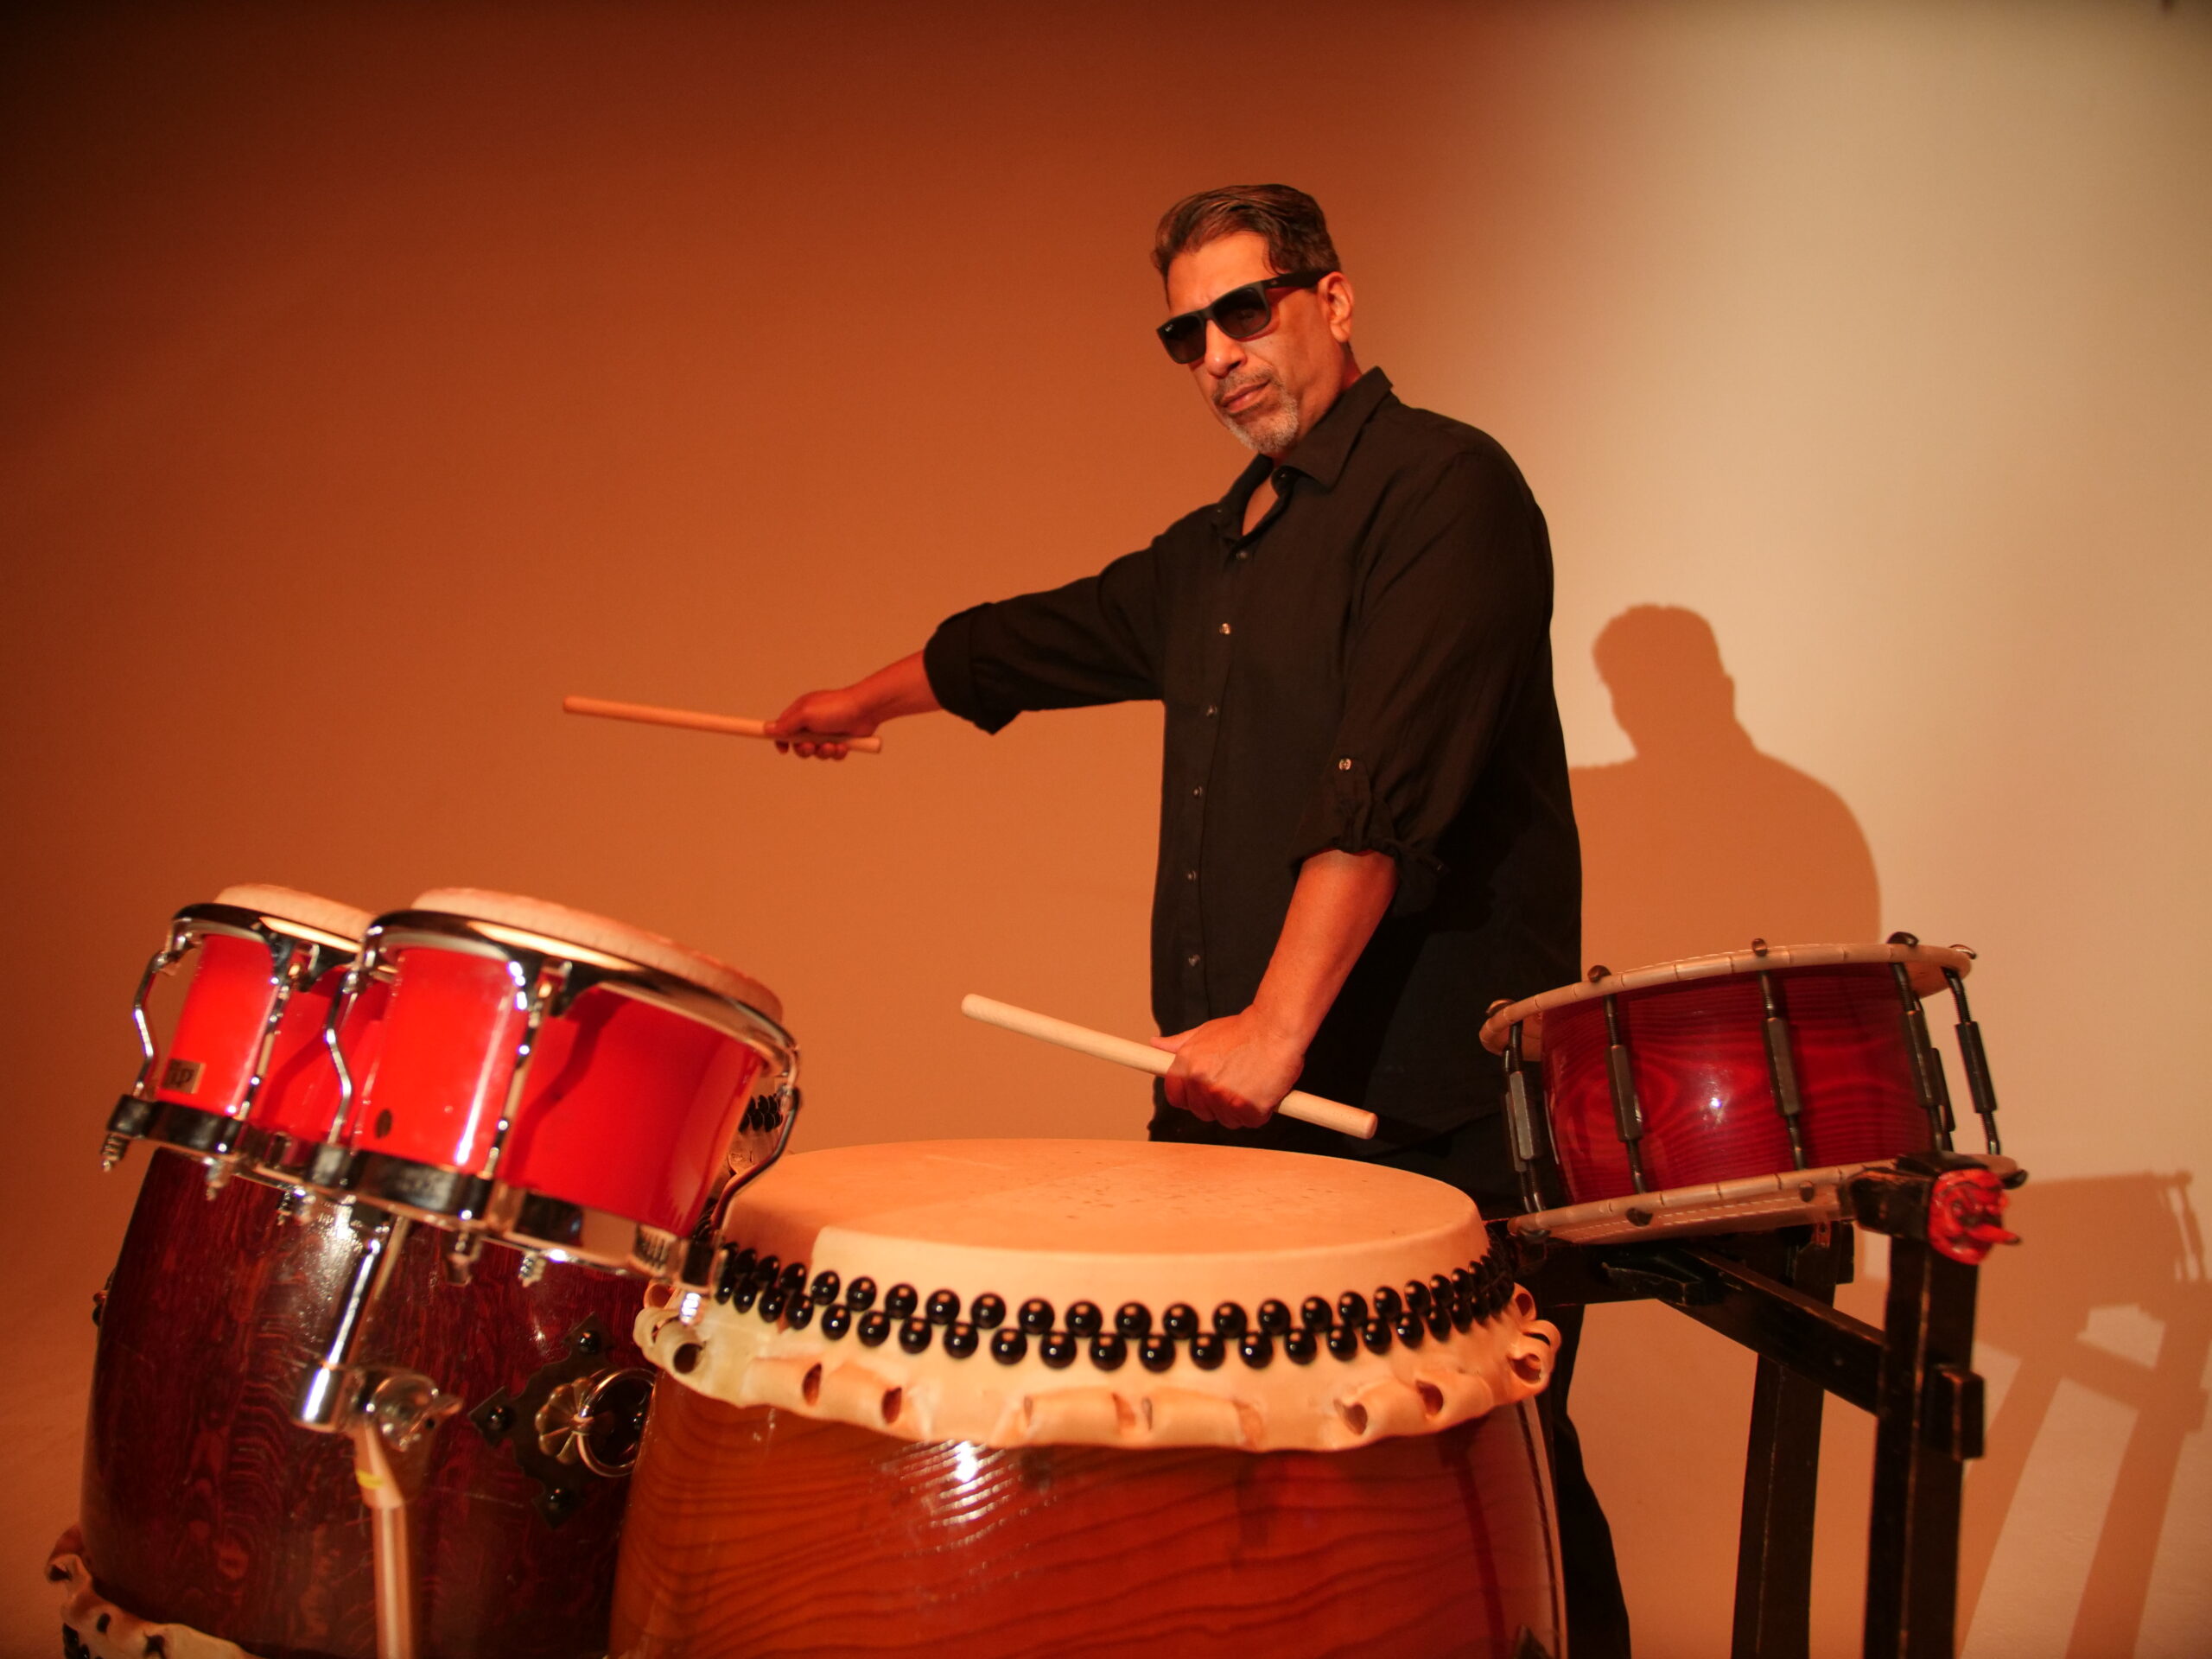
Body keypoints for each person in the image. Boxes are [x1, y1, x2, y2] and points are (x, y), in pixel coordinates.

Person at [771, 183, 1630, 1655]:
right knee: (1251, 1511)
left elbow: (1383, 784)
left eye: (1245, 310)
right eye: (1186, 334)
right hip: (1244, 1115)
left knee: (1477, 1491)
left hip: (1427, 1116)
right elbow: (1038, 638)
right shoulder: (1217, 551)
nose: (1219, 353)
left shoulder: (1447, 490)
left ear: (1331, 300)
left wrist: (1279, 1028)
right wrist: (866, 700)